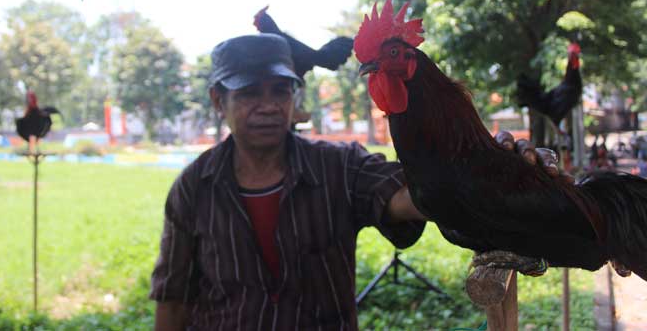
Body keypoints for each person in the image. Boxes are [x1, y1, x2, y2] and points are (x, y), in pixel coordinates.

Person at [149, 34, 552, 330]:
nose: (269, 105)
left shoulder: (337, 167)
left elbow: (409, 197)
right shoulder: (193, 188)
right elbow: (173, 297)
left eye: (281, 90)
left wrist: (485, 172)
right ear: (219, 101)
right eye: (250, 93)